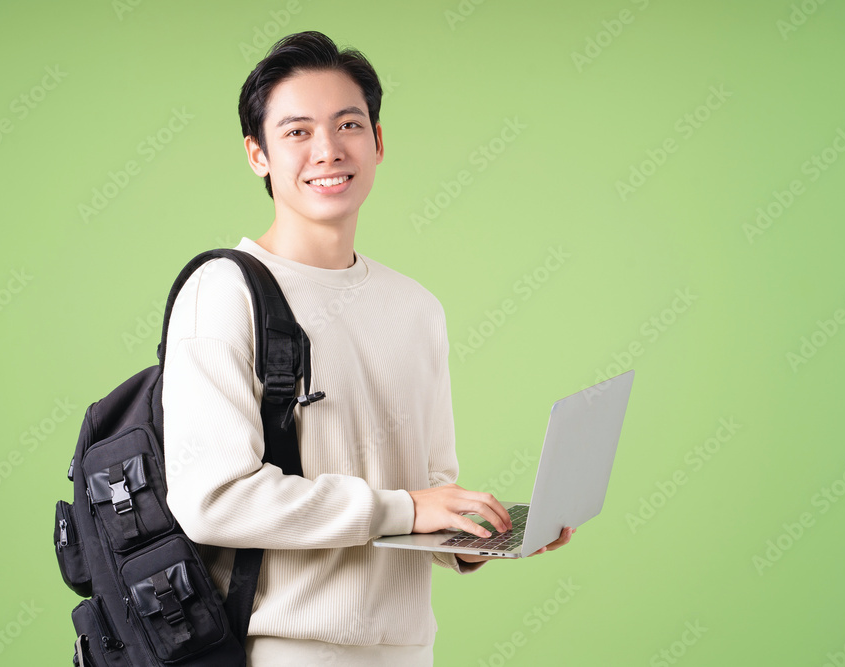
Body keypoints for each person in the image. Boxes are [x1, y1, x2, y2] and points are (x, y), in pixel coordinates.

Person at [161, 30, 575, 666]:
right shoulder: (222, 293)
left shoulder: (416, 308)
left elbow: (426, 488)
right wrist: (406, 507)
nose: (328, 149)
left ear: (378, 142)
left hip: (407, 649)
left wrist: (472, 536)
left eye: (348, 124)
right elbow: (214, 501)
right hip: (280, 650)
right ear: (258, 155)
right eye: (297, 131)